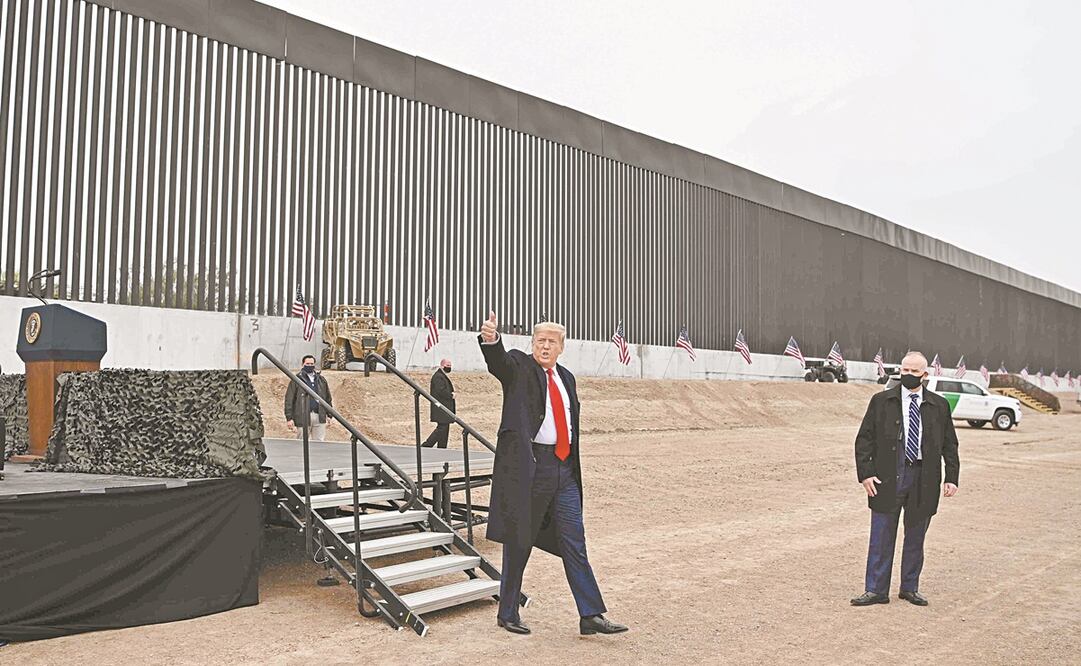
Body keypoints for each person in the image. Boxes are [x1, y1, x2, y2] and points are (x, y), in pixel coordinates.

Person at [478, 311, 627, 636]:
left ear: (561, 346)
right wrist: (491, 341)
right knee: (520, 541)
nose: (545, 346)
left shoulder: (568, 378)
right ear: (532, 344)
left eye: (551, 342)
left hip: (564, 470)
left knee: (575, 540)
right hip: (532, 468)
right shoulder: (519, 366)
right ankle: (507, 612)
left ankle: (590, 614)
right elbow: (499, 363)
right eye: (540, 341)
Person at [851, 351, 960, 607]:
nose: (908, 375)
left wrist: (951, 477)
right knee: (881, 535)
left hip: (923, 478)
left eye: (914, 372)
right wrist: (866, 474)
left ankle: (909, 588)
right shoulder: (881, 401)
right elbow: (864, 440)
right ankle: (876, 589)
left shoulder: (939, 405)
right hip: (888, 477)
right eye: (905, 370)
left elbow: (950, 444)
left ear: (925, 374)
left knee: (915, 536)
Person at [284, 354, 332, 441]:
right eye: (307, 364)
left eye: (312, 364)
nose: (310, 366)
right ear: (302, 365)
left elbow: (327, 398)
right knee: (302, 443)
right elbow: (289, 399)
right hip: (303, 417)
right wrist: (289, 418)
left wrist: (329, 415)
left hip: (319, 416)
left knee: (319, 444)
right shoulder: (296, 380)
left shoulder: (321, 380)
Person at [422, 359, 456, 448]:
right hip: (441, 407)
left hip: (443, 407)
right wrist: (451, 395)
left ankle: (442, 447)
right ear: (441, 365)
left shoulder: (441, 376)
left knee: (444, 428)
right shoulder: (438, 377)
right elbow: (441, 391)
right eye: (447, 365)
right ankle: (427, 445)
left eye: (450, 365)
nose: (449, 367)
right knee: (442, 428)